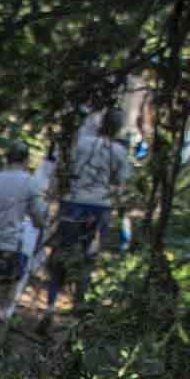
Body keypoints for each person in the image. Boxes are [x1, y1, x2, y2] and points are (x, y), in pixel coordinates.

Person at [46, 110, 135, 309]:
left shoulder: (81, 143)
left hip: (73, 202)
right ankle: (78, 302)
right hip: (100, 207)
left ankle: (50, 305)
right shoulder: (120, 153)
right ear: (118, 128)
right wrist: (119, 210)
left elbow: (62, 169)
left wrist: (55, 194)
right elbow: (120, 187)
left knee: (61, 251)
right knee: (89, 254)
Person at [0, 144, 51, 318]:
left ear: (6, 159)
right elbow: (39, 219)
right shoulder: (30, 183)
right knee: (3, 301)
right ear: (26, 160)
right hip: (12, 248)